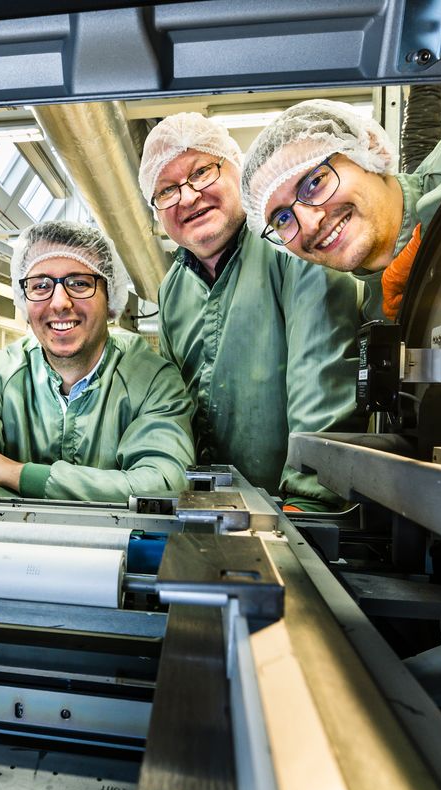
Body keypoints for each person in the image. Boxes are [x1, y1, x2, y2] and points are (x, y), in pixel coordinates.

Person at [139, 113, 365, 511]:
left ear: (235, 168)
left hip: (297, 512)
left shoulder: (292, 245)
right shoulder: (172, 287)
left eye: (201, 172)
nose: (188, 197)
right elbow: (175, 408)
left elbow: (322, 378)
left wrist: (307, 503)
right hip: (208, 509)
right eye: (167, 191)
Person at [0, 221, 194, 501]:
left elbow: (165, 483)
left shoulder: (152, 381)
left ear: (110, 295)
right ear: (24, 301)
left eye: (79, 283)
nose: (60, 302)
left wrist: (13, 473)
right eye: (40, 286)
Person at [240, 83, 441, 320]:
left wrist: (439, 228)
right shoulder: (365, 317)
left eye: (315, 182)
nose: (310, 224)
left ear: (369, 147)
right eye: (283, 219)